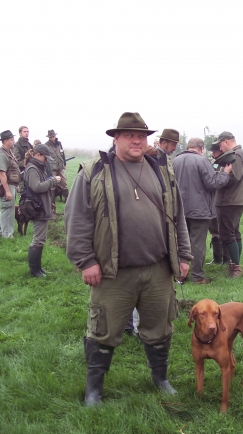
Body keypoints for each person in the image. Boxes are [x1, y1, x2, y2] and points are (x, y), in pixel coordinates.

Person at [65, 112, 192, 406]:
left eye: (142, 136)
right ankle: (94, 390)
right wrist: (86, 261)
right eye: (130, 135)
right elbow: (76, 219)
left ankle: (160, 378)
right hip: (113, 272)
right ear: (116, 138)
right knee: (102, 330)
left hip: (158, 269)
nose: (137, 141)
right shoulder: (94, 171)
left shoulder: (161, 170)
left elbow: (178, 217)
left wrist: (184, 255)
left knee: (160, 328)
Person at [173, 137, 232, 284]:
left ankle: (180, 275)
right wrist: (225, 173)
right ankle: (197, 276)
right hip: (199, 210)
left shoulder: (175, 161)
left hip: (179, 209)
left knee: (181, 242)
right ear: (201, 149)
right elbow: (212, 183)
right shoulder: (202, 161)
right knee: (197, 244)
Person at [212, 131, 243, 278]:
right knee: (234, 232)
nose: (220, 149)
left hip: (230, 200)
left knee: (227, 234)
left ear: (226, 142)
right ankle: (234, 264)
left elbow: (234, 177)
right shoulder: (236, 153)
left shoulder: (237, 154)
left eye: (221, 145)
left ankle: (236, 268)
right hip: (231, 199)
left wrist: (219, 177)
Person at [23, 144, 60, 277]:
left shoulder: (38, 167)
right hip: (37, 208)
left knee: (41, 238)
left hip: (42, 206)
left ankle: (39, 269)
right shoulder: (32, 168)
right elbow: (37, 187)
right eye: (45, 158)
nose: (46, 161)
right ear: (38, 154)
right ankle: (34, 271)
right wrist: (53, 181)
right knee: (38, 239)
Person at [0, 130, 21, 238]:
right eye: (11, 139)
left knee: (7, 209)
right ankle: (7, 235)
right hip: (7, 185)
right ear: (5, 141)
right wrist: (7, 191)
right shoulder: (2, 154)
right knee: (8, 210)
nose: (13, 141)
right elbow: (2, 173)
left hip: (11, 184)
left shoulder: (8, 152)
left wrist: (16, 185)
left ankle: (1, 232)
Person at [45, 130, 68, 200]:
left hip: (60, 166)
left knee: (64, 183)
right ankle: (51, 201)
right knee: (52, 184)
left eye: (53, 136)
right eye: (51, 137)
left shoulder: (59, 143)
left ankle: (67, 199)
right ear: (49, 137)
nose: (52, 138)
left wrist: (64, 163)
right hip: (52, 167)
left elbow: (62, 154)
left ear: (55, 136)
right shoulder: (46, 145)